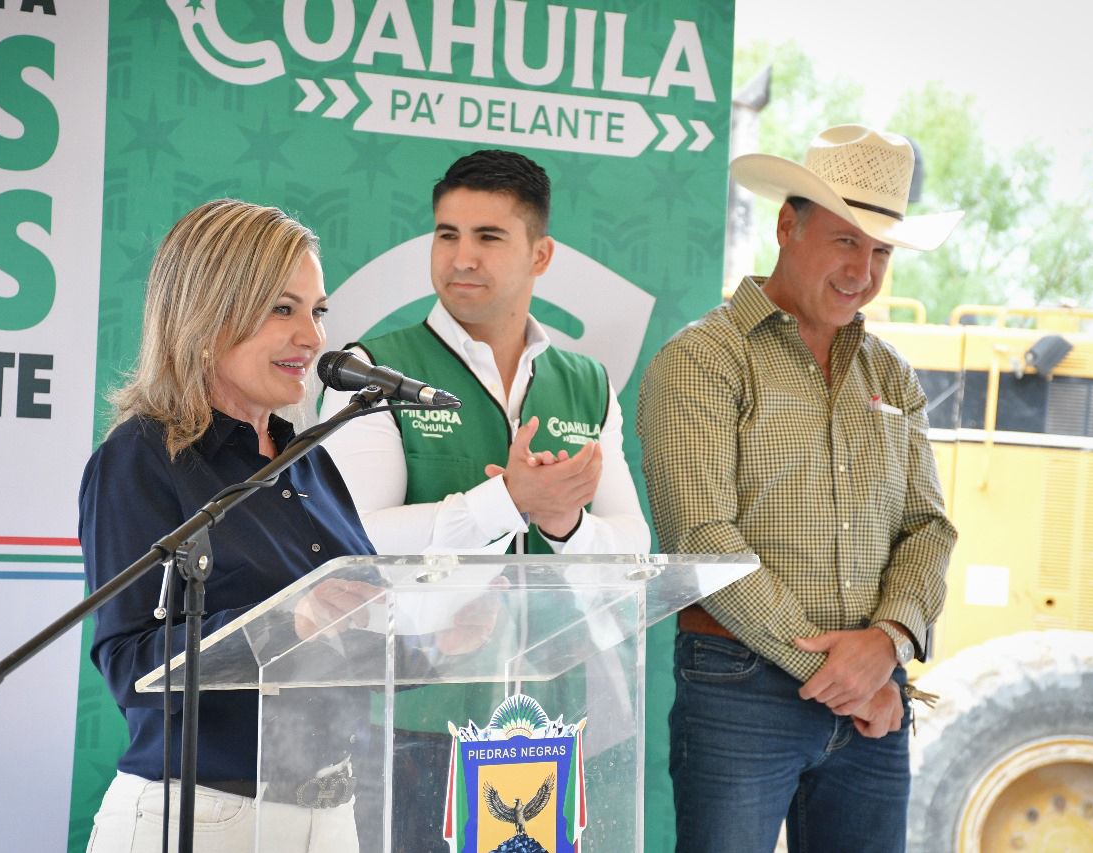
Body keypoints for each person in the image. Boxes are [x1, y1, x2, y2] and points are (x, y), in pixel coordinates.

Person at [637, 125, 962, 853]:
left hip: (876, 697)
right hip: (741, 687)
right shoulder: (702, 359)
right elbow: (701, 540)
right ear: (788, 225)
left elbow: (928, 529)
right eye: (846, 241)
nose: (864, 271)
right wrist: (849, 674)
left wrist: (888, 642)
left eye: (881, 251)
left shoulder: (892, 375)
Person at [316, 149, 650, 849]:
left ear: (541, 254)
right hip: (409, 721)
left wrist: (564, 523)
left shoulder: (586, 381)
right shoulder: (374, 367)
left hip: (550, 721)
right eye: (447, 234)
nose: (461, 257)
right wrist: (505, 501)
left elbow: (634, 547)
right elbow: (353, 540)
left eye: (488, 237)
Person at [79, 199, 378, 853]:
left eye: (317, 310)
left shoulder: (312, 461)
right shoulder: (141, 459)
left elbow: (354, 636)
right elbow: (129, 665)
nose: (315, 336)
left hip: (332, 817)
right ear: (208, 316)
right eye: (284, 308)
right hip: (206, 817)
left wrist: (446, 634)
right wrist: (287, 620)